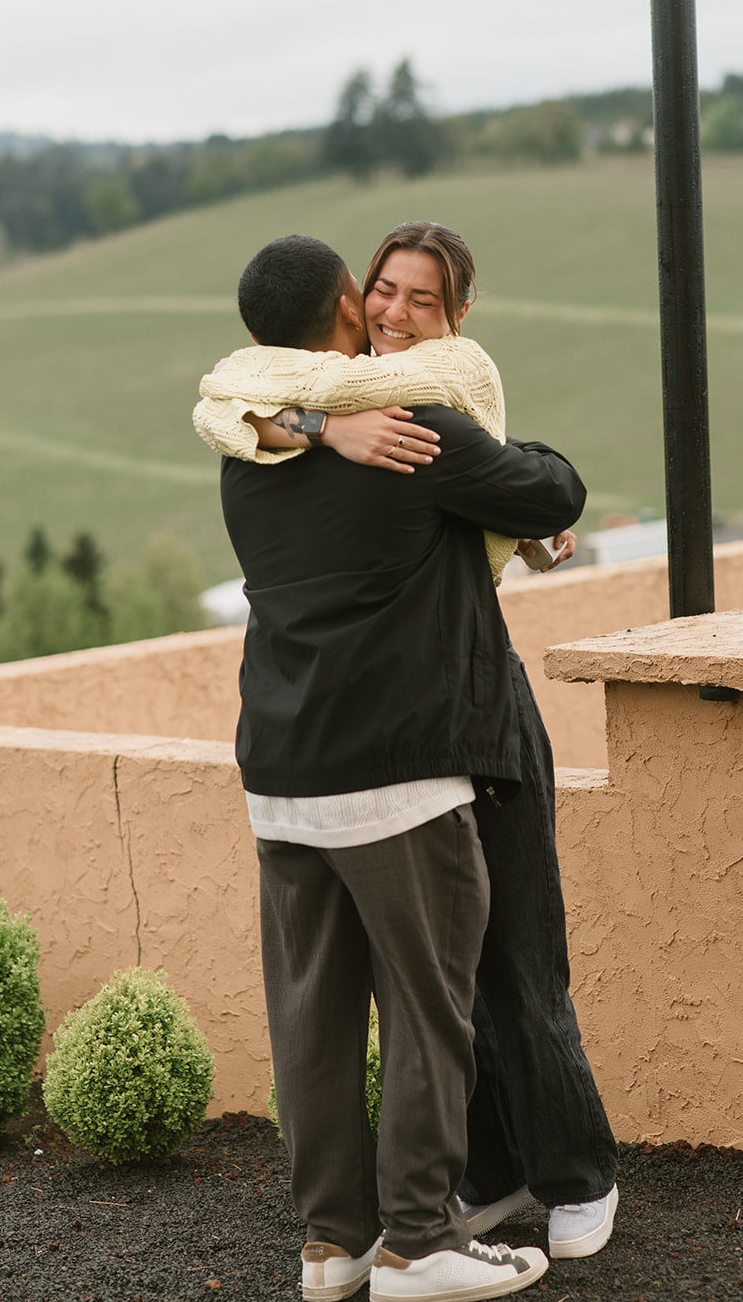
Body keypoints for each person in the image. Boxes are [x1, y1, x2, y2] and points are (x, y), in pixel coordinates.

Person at [195, 222, 619, 1263]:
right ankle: (427, 1232)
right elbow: (551, 486)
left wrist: (315, 419)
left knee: (361, 1006)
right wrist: (503, 482)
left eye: (418, 299)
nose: (389, 311)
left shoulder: (250, 443)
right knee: (441, 1000)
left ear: (456, 314)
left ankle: (340, 1240)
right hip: (404, 744)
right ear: (346, 306)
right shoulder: (396, 420)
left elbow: (223, 397)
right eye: (376, 291)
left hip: (296, 759)